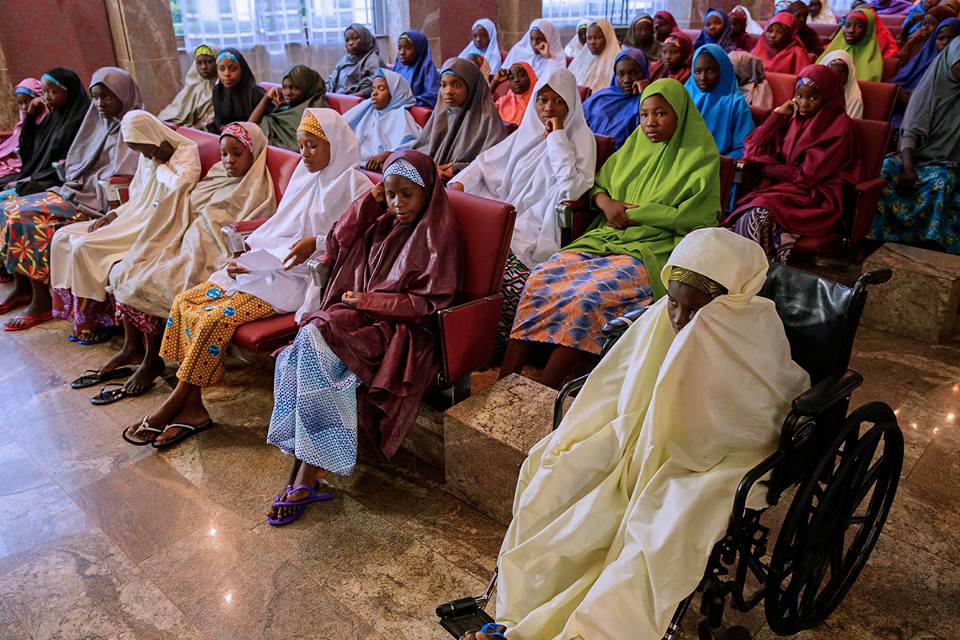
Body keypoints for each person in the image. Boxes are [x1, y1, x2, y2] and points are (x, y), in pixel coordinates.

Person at [470, 227, 809, 640]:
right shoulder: (659, 319)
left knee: (657, 537)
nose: (680, 320)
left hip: (701, 467)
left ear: (731, 299)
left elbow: (752, 417)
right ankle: (521, 614)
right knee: (557, 477)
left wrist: (668, 450)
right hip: (635, 439)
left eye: (695, 310)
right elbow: (617, 388)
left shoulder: (753, 332)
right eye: (673, 304)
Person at [119, 109, 372, 448]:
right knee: (184, 303)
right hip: (268, 266)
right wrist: (248, 255)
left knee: (212, 320)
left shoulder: (357, 186)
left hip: (304, 279)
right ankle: (192, 406)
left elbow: (363, 242)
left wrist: (319, 243)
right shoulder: (304, 174)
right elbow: (279, 225)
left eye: (313, 146)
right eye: (301, 146)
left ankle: (178, 400)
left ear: (335, 144)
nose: (305, 154)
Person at [265, 150, 463, 526]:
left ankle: (308, 469)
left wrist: (370, 300)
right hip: (365, 317)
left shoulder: (440, 233)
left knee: (316, 345)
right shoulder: (384, 220)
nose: (398, 204)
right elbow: (338, 242)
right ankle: (308, 458)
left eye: (407, 194)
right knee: (302, 347)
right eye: (390, 194)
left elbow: (432, 303)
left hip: (402, 332)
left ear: (427, 192)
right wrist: (370, 200)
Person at [499, 79, 721, 389]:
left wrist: (632, 213)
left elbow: (698, 217)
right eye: (644, 114)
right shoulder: (633, 147)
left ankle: (545, 391)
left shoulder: (700, 156)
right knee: (541, 277)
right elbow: (598, 187)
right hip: (606, 238)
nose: (650, 123)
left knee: (588, 296)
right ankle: (503, 380)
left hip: (652, 248)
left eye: (661, 114)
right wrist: (606, 203)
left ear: (680, 114)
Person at [86, 122, 276, 401]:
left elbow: (242, 228)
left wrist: (205, 226)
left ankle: (153, 359)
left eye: (237, 154)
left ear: (254, 153)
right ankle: (133, 346)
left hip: (208, 251)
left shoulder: (258, 188)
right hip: (184, 238)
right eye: (224, 153)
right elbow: (188, 202)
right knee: (129, 268)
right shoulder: (216, 175)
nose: (228, 161)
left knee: (155, 280)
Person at [451, 68, 596, 354]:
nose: (548, 108)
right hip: (508, 211)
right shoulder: (526, 133)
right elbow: (485, 163)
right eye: (542, 100)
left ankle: (499, 340)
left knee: (500, 264)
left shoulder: (581, 139)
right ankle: (464, 334)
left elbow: (571, 187)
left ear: (570, 104)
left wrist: (557, 138)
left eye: (558, 101)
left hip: (539, 223)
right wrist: (459, 182)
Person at [0, 68, 141, 331]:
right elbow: (80, 161)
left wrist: (93, 188)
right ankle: (24, 288)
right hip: (77, 191)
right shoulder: (100, 122)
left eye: (106, 97)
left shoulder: (134, 127)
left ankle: (41, 301)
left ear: (123, 95)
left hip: (99, 204)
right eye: (96, 97)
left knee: (24, 217)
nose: (99, 104)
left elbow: (127, 176)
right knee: (8, 208)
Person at [49, 111, 201, 343]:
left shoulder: (184, 152)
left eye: (142, 147)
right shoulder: (147, 156)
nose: (142, 154)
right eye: (136, 148)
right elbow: (137, 195)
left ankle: (97, 320)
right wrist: (113, 214)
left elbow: (182, 185)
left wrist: (162, 163)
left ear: (151, 135)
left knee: (84, 246)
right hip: (132, 215)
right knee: (62, 236)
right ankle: (76, 314)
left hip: (158, 221)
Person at [725, 65, 858, 263]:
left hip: (815, 196)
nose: (803, 103)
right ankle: (747, 275)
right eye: (799, 95)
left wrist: (766, 168)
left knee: (757, 215)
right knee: (747, 218)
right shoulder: (792, 119)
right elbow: (752, 149)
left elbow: (807, 175)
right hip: (783, 190)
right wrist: (777, 115)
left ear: (828, 97)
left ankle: (756, 274)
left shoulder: (839, 126)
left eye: (813, 97)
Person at [870, 39, 960, 252]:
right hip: (914, 156)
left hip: (948, 163)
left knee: (943, 180)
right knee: (885, 168)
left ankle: (929, 243)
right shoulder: (932, 85)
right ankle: (876, 237)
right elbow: (910, 131)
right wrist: (908, 168)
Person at [407, 58, 507, 182]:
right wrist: (430, 170)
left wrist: (457, 169)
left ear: (472, 87)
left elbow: (496, 164)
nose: (448, 91)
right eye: (443, 85)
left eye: (457, 85)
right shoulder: (440, 116)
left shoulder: (488, 121)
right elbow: (420, 152)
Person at [0, 68, 89, 197]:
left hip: (58, 181)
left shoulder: (79, 121)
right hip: (38, 175)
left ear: (69, 91)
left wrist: (31, 179)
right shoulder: (53, 117)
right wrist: (30, 116)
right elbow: (28, 150)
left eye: (53, 92)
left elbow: (68, 163)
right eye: (44, 92)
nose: (46, 97)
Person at [685, 45, 755, 159]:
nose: (703, 77)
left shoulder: (736, 104)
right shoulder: (685, 96)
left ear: (723, 70)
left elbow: (743, 147)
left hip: (717, 164)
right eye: (697, 72)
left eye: (710, 71)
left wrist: (717, 161)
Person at [342, 69, 421, 169]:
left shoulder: (401, 115)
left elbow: (410, 147)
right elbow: (342, 126)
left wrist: (389, 154)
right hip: (352, 160)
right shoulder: (367, 108)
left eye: (381, 88)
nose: (374, 93)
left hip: (373, 167)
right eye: (373, 89)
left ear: (395, 93)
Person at [249, 64, 327, 152]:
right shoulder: (285, 108)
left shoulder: (314, 111)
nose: (287, 93)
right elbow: (249, 128)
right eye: (284, 87)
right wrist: (267, 97)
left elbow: (298, 148)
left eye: (294, 88)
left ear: (307, 88)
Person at [583, 48, 650, 148]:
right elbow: (577, 122)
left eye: (634, 73)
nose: (627, 80)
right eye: (621, 74)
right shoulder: (602, 96)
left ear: (643, 72)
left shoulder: (647, 102)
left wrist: (647, 92)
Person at [892, 17, 960, 97]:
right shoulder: (924, 57)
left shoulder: (956, 66)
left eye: (952, 38)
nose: (945, 42)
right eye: (941, 38)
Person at [208, 49, 268, 133]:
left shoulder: (255, 92)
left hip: (252, 133)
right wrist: (221, 126)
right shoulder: (217, 91)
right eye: (221, 69)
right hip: (228, 133)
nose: (227, 74)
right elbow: (218, 115)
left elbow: (271, 117)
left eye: (232, 69)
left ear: (242, 70)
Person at [157, 44, 217, 128]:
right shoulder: (192, 87)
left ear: (217, 62)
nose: (204, 67)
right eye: (199, 63)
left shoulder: (223, 86)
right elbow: (174, 112)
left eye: (209, 62)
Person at [819, 9, 884, 80]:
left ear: (868, 31)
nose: (851, 30)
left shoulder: (873, 64)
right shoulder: (831, 52)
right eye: (847, 25)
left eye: (859, 26)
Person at [0, 79, 44, 181]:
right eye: (21, 103)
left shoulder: (46, 120)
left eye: (28, 101)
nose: (24, 107)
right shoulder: (23, 123)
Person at [326, 24, 382, 98]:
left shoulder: (374, 60)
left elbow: (376, 84)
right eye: (347, 40)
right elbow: (331, 81)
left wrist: (353, 97)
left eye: (355, 38)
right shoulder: (344, 60)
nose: (351, 43)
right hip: (336, 99)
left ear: (366, 39)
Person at [568, 20, 622, 94]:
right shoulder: (582, 59)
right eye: (589, 38)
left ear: (608, 38)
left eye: (598, 38)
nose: (592, 42)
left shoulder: (618, 62)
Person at [821, 50, 866, 117]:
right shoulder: (817, 93)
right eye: (832, 72)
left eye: (841, 73)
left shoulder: (854, 98)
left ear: (849, 75)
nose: (836, 76)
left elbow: (849, 124)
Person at [492, 62, 537, 126]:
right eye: (512, 78)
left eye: (521, 75)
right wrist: (495, 82)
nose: (516, 80)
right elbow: (482, 109)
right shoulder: (503, 102)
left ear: (531, 76)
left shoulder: (538, 102)